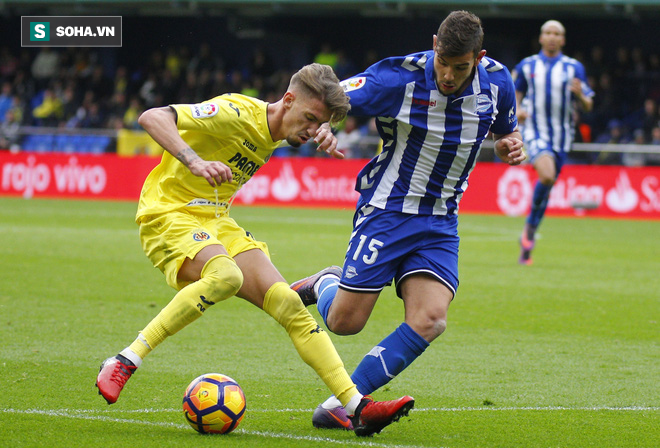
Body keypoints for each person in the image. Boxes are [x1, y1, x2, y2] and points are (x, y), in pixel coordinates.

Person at [95, 63, 414, 437]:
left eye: (319, 123)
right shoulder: (234, 113)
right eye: (310, 119)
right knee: (226, 276)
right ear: (288, 99)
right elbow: (152, 117)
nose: (311, 129)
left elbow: (317, 111)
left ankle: (356, 407)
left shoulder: (285, 126)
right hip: (168, 213)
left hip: (215, 219)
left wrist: (323, 129)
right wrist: (194, 160)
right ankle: (124, 360)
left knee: (290, 306)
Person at [290, 11, 525, 430]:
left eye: (461, 67)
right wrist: (324, 122)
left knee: (431, 318)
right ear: (435, 44)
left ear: (479, 57)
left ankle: (342, 403)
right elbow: (329, 94)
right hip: (388, 212)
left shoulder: (498, 82)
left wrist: (510, 144)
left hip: (440, 223)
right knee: (345, 322)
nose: (449, 75)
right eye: (443, 63)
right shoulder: (397, 79)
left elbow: (506, 131)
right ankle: (326, 282)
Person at [513, 20, 594, 264]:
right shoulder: (527, 66)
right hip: (535, 132)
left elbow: (589, 105)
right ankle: (529, 230)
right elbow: (515, 98)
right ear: (540, 38)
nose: (551, 37)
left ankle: (528, 235)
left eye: (556, 33)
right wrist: (517, 112)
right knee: (547, 176)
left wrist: (580, 95)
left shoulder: (573, 67)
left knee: (546, 187)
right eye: (548, 32)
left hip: (562, 136)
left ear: (563, 40)